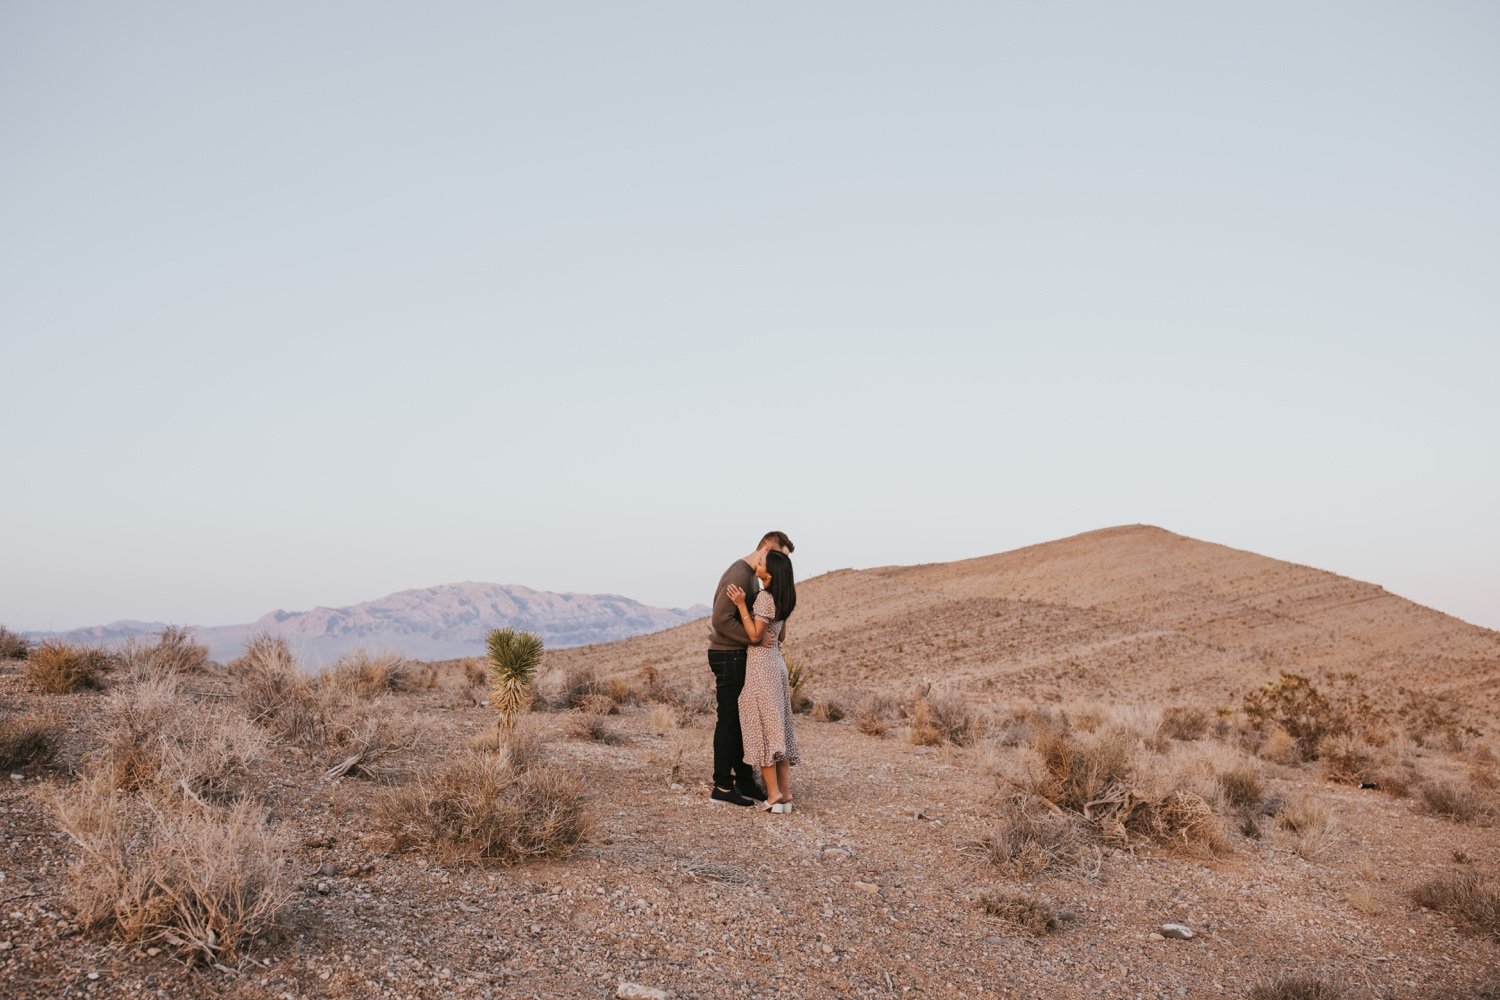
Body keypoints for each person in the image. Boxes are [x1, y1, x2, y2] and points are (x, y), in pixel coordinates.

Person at [707, 531, 794, 806]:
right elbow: (721, 621)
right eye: (778, 556)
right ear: (766, 550)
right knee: (730, 719)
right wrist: (755, 638)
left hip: (744, 656)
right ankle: (722, 785)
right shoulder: (739, 574)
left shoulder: (757, 581)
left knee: (745, 721)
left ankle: (745, 780)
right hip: (728, 655)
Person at [728, 548, 800, 813]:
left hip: (761, 667)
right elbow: (780, 637)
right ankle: (786, 794)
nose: (756, 564)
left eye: (761, 563)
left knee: (762, 729)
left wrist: (740, 606)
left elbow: (755, 634)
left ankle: (773, 796)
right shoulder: (785, 598)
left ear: (769, 573)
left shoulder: (763, 599)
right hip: (777, 664)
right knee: (777, 728)